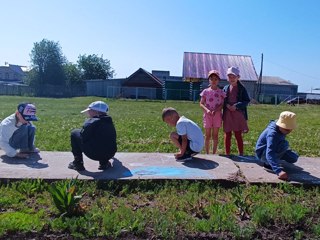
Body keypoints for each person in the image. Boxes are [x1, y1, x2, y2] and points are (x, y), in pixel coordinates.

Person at [68, 100, 117, 171]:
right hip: (110, 154)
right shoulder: (109, 121)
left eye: (90, 110)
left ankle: (78, 163)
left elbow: (83, 137)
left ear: (96, 111)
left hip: (94, 155)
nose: (88, 112)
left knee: (74, 133)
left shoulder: (91, 122)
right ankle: (104, 163)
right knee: (102, 139)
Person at [255, 111, 299, 181]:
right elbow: (270, 152)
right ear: (280, 125)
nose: (288, 132)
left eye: (290, 129)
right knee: (284, 144)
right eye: (286, 129)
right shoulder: (272, 134)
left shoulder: (281, 129)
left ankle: (275, 160)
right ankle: (268, 165)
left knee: (293, 157)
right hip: (263, 154)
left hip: (274, 148)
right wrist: (278, 171)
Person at [223, 66, 250, 156]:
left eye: (233, 77)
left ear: (238, 77)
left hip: (237, 114)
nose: (231, 79)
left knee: (238, 134)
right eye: (230, 77)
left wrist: (236, 106)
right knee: (227, 134)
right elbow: (222, 99)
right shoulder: (226, 88)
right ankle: (227, 153)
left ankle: (241, 153)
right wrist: (226, 105)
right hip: (228, 114)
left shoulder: (242, 88)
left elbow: (246, 100)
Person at [200, 70, 226, 154]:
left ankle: (214, 153)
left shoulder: (221, 92)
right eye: (212, 79)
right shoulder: (205, 91)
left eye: (216, 79)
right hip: (207, 116)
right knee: (207, 135)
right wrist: (207, 110)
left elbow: (222, 104)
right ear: (209, 80)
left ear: (218, 80)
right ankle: (207, 153)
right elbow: (201, 103)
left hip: (217, 116)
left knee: (215, 135)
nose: (214, 81)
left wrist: (216, 110)